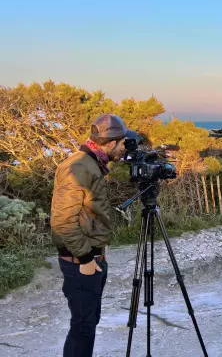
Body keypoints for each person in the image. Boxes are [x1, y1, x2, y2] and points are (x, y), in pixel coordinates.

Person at [50, 113, 136, 357]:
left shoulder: (91, 164)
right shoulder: (78, 166)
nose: (123, 150)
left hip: (91, 259)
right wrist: (86, 259)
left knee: (88, 322)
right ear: (109, 143)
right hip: (81, 261)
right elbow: (63, 221)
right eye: (121, 144)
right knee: (83, 326)